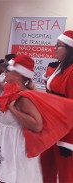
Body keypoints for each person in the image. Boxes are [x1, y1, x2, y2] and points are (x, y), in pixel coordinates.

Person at [0, 55, 73, 183]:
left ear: (18, 75)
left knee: (6, 178)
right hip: (5, 145)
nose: (4, 73)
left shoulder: (23, 98)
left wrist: (13, 110)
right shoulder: (11, 93)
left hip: (16, 149)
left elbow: (37, 125)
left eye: (8, 70)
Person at [41, 30, 73, 183]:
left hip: (65, 134)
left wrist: (69, 142)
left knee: (66, 175)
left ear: (69, 49)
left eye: (59, 45)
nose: (54, 48)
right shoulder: (59, 68)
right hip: (50, 129)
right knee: (46, 170)